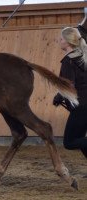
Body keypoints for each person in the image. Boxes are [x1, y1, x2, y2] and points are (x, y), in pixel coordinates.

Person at [53, 27, 87, 160]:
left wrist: (58, 96)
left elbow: (68, 86)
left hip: (81, 106)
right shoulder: (83, 57)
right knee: (80, 140)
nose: (59, 41)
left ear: (67, 42)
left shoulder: (69, 61)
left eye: (61, 39)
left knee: (70, 142)